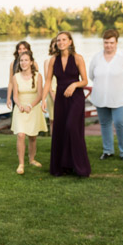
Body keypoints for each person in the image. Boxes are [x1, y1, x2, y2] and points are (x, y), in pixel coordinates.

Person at [41, 31, 91, 177]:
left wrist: (74, 85)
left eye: (64, 40)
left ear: (70, 42)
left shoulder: (77, 58)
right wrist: (43, 99)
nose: (61, 42)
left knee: (71, 128)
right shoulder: (53, 60)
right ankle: (63, 166)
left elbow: (85, 81)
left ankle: (81, 167)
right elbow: (48, 81)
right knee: (60, 130)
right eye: (58, 40)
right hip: (60, 99)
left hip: (76, 98)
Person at [88, 29, 123, 161]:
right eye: (106, 42)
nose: (109, 45)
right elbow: (91, 75)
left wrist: (122, 88)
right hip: (100, 97)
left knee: (120, 123)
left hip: (119, 97)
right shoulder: (97, 57)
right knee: (105, 123)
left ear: (116, 42)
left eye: (111, 43)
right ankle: (108, 150)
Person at [10, 50, 47, 174]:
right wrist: (19, 105)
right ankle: (21, 164)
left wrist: (30, 106)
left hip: (33, 108)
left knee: (32, 136)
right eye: (21, 60)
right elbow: (15, 95)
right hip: (20, 109)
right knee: (21, 135)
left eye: (26, 60)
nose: (23, 62)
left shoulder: (38, 76)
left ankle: (32, 159)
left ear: (31, 62)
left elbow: (40, 94)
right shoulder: (15, 77)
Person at [5, 41, 38, 111]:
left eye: (24, 48)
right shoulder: (13, 64)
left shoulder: (34, 64)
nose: (21, 51)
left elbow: (37, 81)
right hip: (17, 97)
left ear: (28, 50)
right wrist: (8, 98)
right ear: (17, 51)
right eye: (19, 49)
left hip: (30, 95)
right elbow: (10, 82)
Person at [43, 37, 59, 134]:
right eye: (54, 44)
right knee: (53, 120)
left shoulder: (65, 60)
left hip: (63, 92)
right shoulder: (47, 62)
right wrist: (53, 96)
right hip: (51, 93)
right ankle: (54, 144)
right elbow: (47, 81)